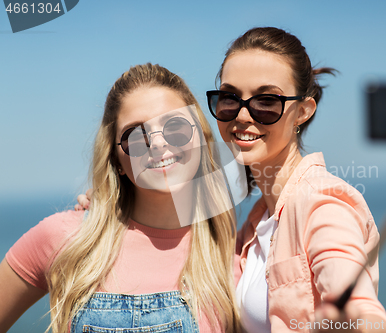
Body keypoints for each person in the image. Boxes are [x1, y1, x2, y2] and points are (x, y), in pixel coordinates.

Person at [0, 64, 241, 333]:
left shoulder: (233, 254)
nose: (158, 143)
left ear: (201, 137)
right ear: (116, 159)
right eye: (135, 135)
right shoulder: (67, 238)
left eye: (175, 126)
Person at [207, 27, 386, 333]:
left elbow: (357, 302)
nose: (242, 115)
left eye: (266, 101)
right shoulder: (253, 227)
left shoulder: (323, 203)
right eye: (229, 97)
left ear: (302, 112)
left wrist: (358, 321)